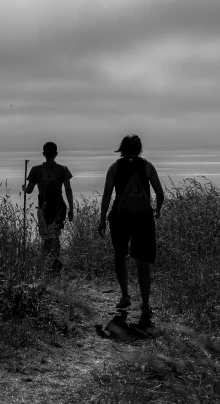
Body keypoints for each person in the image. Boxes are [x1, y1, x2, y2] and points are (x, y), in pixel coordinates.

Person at [97, 134, 164, 329]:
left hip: (120, 217)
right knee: (143, 262)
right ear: (140, 148)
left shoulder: (114, 167)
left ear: (122, 148)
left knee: (120, 255)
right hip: (143, 219)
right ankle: (145, 305)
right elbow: (160, 194)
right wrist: (157, 210)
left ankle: (125, 295)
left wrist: (102, 219)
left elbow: (107, 195)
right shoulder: (148, 166)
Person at [23, 142, 74, 275]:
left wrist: (24, 188)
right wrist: (71, 208)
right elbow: (68, 189)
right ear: (56, 154)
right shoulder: (63, 169)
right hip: (58, 205)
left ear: (43, 154)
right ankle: (53, 264)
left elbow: (29, 190)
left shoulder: (35, 169)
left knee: (46, 237)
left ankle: (47, 266)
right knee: (55, 236)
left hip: (43, 204)